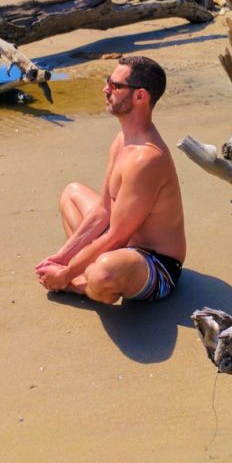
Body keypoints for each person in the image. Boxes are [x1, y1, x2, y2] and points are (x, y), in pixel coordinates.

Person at [35, 55, 186, 304]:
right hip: (123, 245)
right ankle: (84, 273)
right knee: (72, 193)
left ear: (140, 96)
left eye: (116, 86)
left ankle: (83, 283)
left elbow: (116, 236)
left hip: (156, 265)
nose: (106, 89)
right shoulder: (121, 140)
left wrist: (66, 273)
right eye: (108, 81)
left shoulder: (147, 159)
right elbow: (103, 210)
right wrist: (61, 258)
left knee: (103, 271)